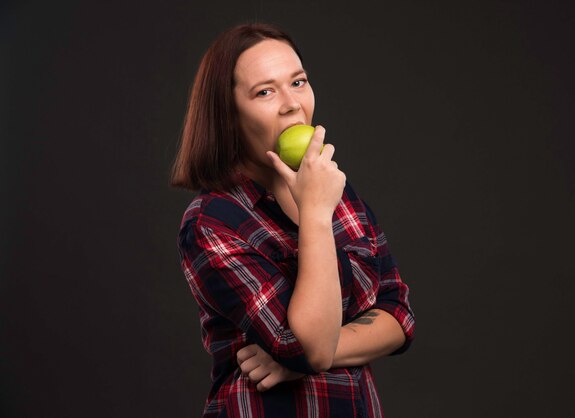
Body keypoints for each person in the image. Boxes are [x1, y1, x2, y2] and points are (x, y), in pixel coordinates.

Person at [170, 22, 415, 418]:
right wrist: (316, 215)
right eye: (265, 92)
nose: (291, 104)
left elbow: (398, 315)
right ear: (229, 115)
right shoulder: (212, 222)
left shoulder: (338, 192)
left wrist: (298, 357)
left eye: (298, 82)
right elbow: (310, 346)